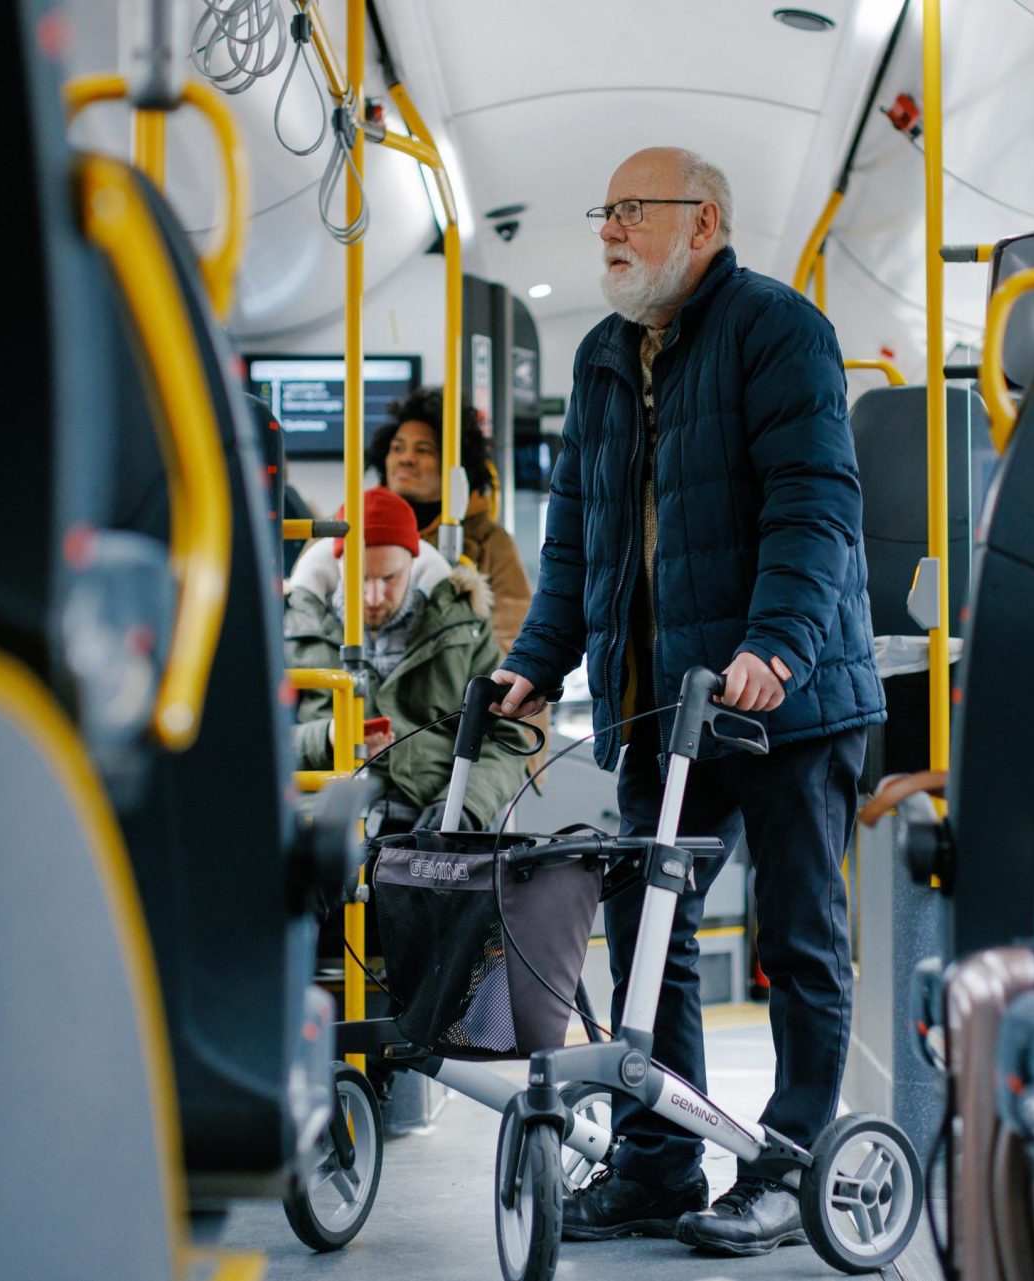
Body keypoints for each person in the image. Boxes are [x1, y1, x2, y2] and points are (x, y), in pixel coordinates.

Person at [490, 147, 885, 1256]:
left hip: (784, 698)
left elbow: (815, 507)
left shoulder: (779, 330)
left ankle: (790, 1162)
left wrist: (781, 642)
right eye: (602, 211)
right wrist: (539, 658)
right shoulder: (603, 356)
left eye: (630, 211)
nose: (607, 229)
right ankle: (660, 1159)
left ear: (701, 221)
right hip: (665, 708)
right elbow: (578, 538)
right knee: (647, 927)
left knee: (798, 933)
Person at [286, 485, 524, 829]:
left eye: (390, 578)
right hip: (323, 815)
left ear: (413, 563)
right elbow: (257, 737)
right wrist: (328, 737)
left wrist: (464, 806)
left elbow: (504, 740)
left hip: (431, 812)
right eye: (360, 578)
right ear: (337, 564)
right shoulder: (291, 627)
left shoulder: (463, 629)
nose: (373, 596)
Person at [367, 387, 533, 655]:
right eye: (397, 448)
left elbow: (512, 633)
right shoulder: (353, 525)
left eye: (423, 450)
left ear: (454, 467)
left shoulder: (490, 541)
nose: (406, 459)